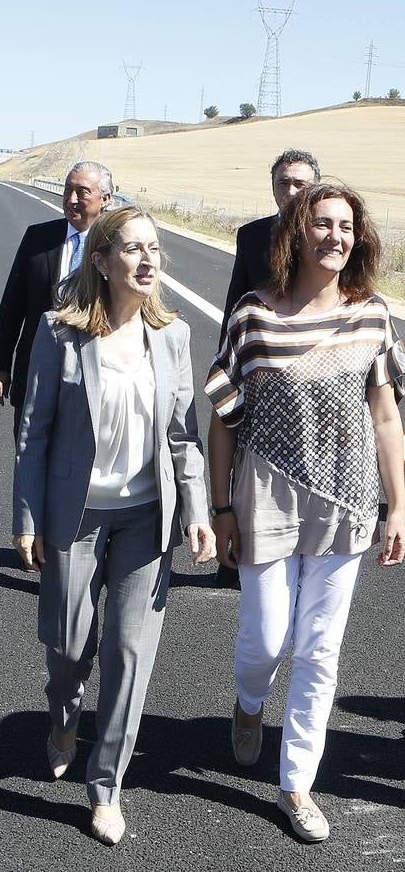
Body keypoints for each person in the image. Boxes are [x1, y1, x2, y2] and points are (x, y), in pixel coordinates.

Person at [206, 182, 405, 842]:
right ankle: (248, 703)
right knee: (265, 639)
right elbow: (223, 420)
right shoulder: (252, 316)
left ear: (358, 238)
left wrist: (396, 505)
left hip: (346, 505)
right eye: (321, 224)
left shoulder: (372, 315)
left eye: (345, 226)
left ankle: (296, 785)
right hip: (264, 500)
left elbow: (385, 418)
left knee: (319, 651)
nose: (334, 237)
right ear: (296, 233)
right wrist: (219, 507)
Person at [12, 206, 215, 845]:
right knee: (70, 645)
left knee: (131, 655)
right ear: (101, 261)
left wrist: (199, 512)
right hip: (75, 515)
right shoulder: (59, 332)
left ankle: (108, 787)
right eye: (132, 249)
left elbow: (184, 436)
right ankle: (64, 715)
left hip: (145, 518)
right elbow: (33, 432)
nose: (148, 260)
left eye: (154, 248)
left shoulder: (174, 336)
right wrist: (26, 516)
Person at [215, 147, 320, 589]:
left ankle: (306, 549)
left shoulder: (332, 233)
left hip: (315, 366)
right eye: (284, 183)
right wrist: (226, 360)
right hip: (259, 367)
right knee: (243, 452)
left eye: (301, 183)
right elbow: (236, 298)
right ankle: (235, 555)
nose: (292, 191)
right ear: (273, 187)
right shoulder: (251, 235)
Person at [0, 161, 113, 438]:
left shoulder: (116, 246)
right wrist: (0, 365)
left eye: (82, 192)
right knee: (28, 454)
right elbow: (13, 304)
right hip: (35, 372)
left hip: (95, 375)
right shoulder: (38, 238)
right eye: (68, 190)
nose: (71, 199)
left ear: (105, 199)